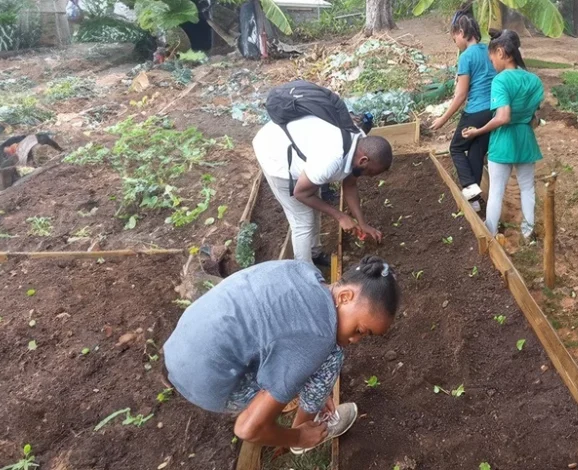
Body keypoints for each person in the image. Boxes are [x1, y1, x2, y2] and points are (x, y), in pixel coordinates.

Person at [163, 256, 400, 454]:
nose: (355, 341)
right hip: (209, 385)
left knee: (312, 354)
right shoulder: (317, 337)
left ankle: (295, 393)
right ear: (345, 296)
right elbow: (247, 430)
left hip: (181, 347)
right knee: (333, 354)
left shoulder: (302, 270)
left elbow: (280, 328)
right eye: (359, 330)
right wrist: (297, 437)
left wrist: (309, 380)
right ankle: (306, 432)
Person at [253, 115, 393, 266]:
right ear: (363, 161)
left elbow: (350, 184)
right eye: (371, 173)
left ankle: (314, 253)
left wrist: (362, 223)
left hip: (303, 148)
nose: (370, 177)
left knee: (314, 207)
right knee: (303, 222)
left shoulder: (361, 144)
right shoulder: (330, 160)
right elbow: (300, 193)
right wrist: (340, 216)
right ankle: (305, 274)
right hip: (274, 152)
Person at [462, 30, 544, 239]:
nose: (492, 64)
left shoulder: (500, 81)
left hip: (503, 140)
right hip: (525, 138)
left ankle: (490, 234)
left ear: (500, 52)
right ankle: (528, 233)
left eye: (492, 59)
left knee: (497, 191)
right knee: (527, 188)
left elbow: (503, 116)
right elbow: (534, 117)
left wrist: (477, 131)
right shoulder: (534, 80)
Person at [430, 14, 497, 212]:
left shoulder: (466, 56)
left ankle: (470, 192)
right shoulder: (489, 50)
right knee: (476, 152)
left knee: (457, 148)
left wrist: (442, 120)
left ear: (461, 33)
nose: (456, 43)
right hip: (492, 112)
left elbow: (460, 96)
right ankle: (475, 203)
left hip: (475, 111)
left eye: (454, 39)